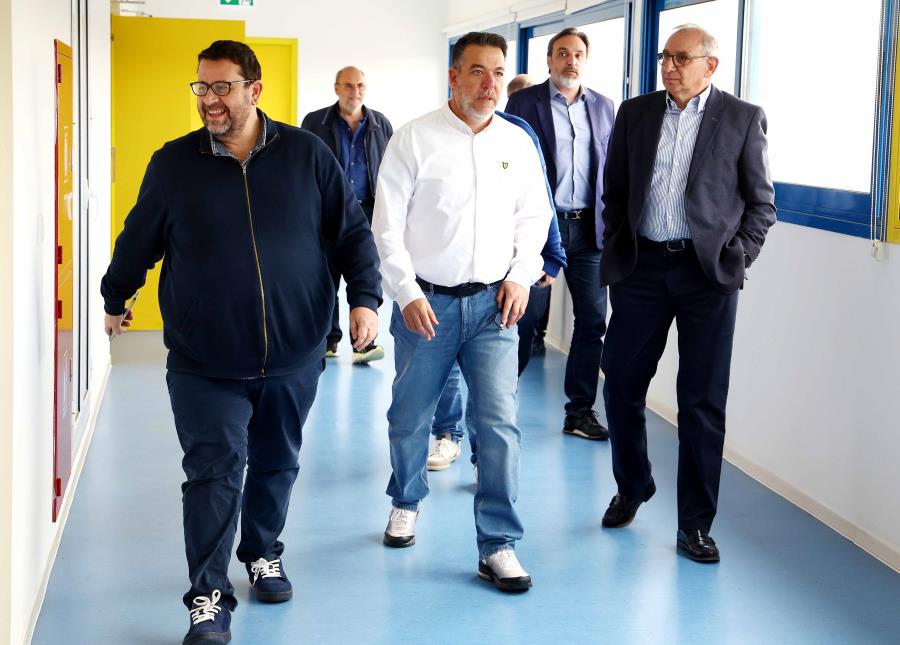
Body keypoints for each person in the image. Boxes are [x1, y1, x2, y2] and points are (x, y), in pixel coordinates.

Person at [101, 40, 381, 645]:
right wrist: (115, 296)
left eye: (222, 87)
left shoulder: (306, 154)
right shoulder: (174, 163)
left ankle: (261, 551)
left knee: (277, 462)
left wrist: (364, 298)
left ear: (254, 90)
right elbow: (138, 237)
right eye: (201, 87)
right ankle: (207, 596)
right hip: (205, 359)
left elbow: (351, 234)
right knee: (214, 472)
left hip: (294, 352)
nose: (210, 99)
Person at [372, 31, 551, 593]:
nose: (489, 84)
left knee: (498, 425)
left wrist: (521, 275)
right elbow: (386, 226)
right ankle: (406, 501)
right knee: (410, 416)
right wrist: (406, 293)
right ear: (453, 76)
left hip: (495, 307)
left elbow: (534, 218)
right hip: (426, 304)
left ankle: (498, 544)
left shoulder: (516, 142)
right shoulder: (414, 138)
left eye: (498, 72)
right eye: (477, 71)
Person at [599, 24, 776, 563]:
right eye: (665, 57)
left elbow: (761, 203)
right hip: (642, 271)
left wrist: (738, 256)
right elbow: (615, 191)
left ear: (710, 65)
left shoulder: (742, 118)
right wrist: (620, 240)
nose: (669, 66)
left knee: (701, 403)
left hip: (707, 278)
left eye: (681, 58)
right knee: (620, 383)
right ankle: (633, 484)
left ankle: (694, 525)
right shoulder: (635, 113)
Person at [427, 111, 566, 472]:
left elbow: (537, 200)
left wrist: (552, 255)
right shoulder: (432, 135)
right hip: (444, 281)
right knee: (447, 365)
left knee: (490, 382)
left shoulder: (517, 133)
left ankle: (484, 454)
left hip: (502, 280)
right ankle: (447, 433)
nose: (486, 86)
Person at [505, 27, 615, 441]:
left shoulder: (603, 106)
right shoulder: (523, 103)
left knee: (592, 321)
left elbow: (612, 168)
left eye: (578, 54)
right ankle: (499, 402)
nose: (571, 60)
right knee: (522, 318)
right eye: (563, 53)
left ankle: (579, 412)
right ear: (549, 60)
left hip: (589, 230)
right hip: (539, 230)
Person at [301, 66, 393, 364]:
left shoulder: (380, 124)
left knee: (364, 272)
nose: (355, 92)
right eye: (349, 85)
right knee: (326, 275)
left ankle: (364, 343)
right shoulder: (315, 122)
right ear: (337, 88)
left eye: (361, 85)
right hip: (327, 211)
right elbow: (304, 167)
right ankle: (329, 339)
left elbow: (391, 169)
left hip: (367, 211)